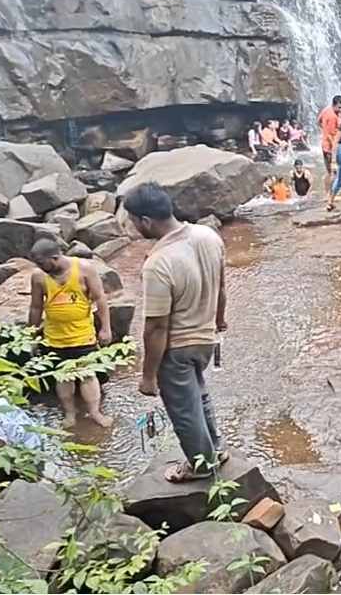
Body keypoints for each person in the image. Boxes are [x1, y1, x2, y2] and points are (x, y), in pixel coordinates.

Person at [125, 183, 229, 483]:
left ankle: (200, 466)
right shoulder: (208, 236)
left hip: (178, 347)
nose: (132, 227)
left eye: (133, 221)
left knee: (185, 410)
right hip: (206, 339)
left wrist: (147, 375)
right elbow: (221, 287)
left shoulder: (158, 264)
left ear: (146, 221)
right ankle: (215, 450)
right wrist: (219, 320)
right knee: (199, 395)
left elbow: (156, 327)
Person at [27, 239, 113, 429]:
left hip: (83, 335)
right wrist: (30, 334)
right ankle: (69, 413)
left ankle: (95, 412)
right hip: (55, 338)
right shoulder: (39, 276)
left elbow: (100, 298)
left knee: (88, 375)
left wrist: (106, 328)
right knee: (62, 376)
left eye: (42, 263)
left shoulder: (84, 268)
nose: (40, 267)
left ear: (55, 257)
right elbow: (35, 307)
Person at [318, 95, 341, 176]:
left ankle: (329, 187)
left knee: (329, 171)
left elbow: (318, 121)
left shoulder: (326, 110)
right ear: (334, 105)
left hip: (324, 145)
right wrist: (334, 150)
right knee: (334, 172)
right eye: (339, 107)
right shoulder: (333, 117)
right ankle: (331, 188)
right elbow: (330, 135)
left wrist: (324, 131)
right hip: (330, 147)